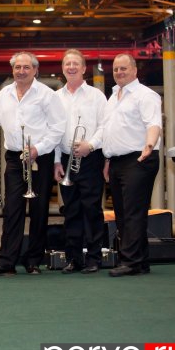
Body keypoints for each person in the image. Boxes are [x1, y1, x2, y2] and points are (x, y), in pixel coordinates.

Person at [0, 51, 65, 276]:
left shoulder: (47, 95)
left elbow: (57, 128)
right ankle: (7, 261)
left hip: (40, 157)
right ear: (12, 70)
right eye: (17, 67)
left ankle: (33, 261)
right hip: (15, 158)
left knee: (39, 210)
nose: (21, 71)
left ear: (35, 70)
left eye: (26, 67)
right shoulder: (4, 94)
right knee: (12, 209)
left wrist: (38, 149)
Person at [102, 53, 161, 277]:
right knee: (122, 212)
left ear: (135, 70)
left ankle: (130, 262)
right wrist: (108, 160)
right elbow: (111, 131)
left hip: (139, 157)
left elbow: (154, 123)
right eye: (116, 69)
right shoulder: (113, 97)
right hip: (117, 161)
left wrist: (149, 145)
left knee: (132, 212)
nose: (119, 72)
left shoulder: (145, 95)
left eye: (124, 68)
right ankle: (140, 261)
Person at [52, 50, 107, 274]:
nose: (71, 67)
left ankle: (94, 258)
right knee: (71, 210)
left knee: (92, 209)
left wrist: (90, 145)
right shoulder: (56, 97)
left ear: (84, 68)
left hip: (90, 158)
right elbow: (54, 131)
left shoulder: (96, 96)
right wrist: (57, 161)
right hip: (66, 159)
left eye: (76, 63)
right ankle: (73, 258)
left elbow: (104, 126)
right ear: (63, 68)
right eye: (67, 63)